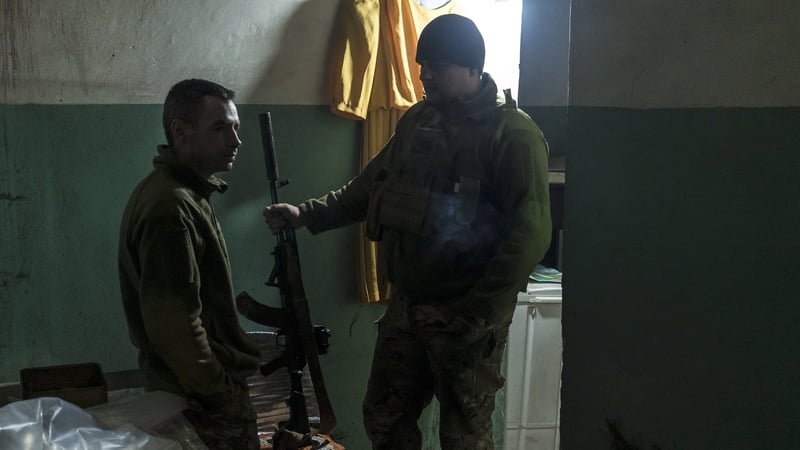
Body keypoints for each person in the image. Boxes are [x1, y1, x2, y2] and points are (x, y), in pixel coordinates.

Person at [265, 14, 552, 450]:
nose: (426, 75)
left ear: (473, 69)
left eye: (438, 65)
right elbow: (371, 186)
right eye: (422, 65)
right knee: (385, 418)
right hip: (408, 308)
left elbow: (529, 234)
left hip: (465, 315)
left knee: (464, 436)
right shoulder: (419, 120)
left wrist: (477, 312)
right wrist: (305, 214)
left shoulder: (512, 135)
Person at [118, 79, 261, 450]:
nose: (235, 140)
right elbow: (176, 325)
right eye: (220, 128)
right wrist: (220, 393)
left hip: (192, 396)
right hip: (198, 405)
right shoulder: (171, 206)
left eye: (235, 127)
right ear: (181, 131)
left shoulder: (184, 194)